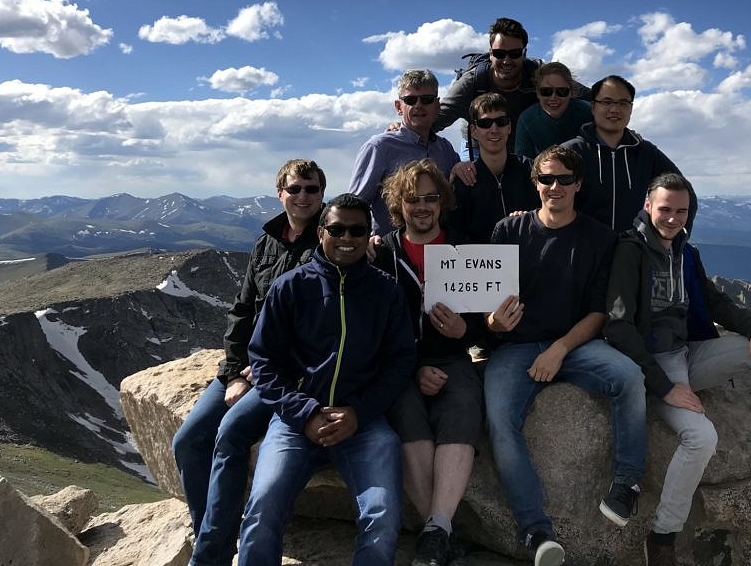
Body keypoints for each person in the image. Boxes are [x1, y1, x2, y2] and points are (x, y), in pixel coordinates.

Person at [603, 173, 751, 566]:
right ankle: (662, 536)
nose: (673, 218)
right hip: (654, 365)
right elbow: (618, 327)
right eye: (665, 209)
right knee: (701, 438)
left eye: (681, 211)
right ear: (648, 206)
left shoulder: (685, 252)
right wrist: (664, 387)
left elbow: (713, 301)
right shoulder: (629, 252)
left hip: (689, 352)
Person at [485, 145, 648, 565]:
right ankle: (536, 531)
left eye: (563, 179)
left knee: (629, 377)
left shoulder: (598, 237)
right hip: (516, 348)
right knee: (501, 422)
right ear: (535, 183)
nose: (553, 187)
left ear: (578, 184)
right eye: (545, 179)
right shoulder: (508, 230)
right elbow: (489, 302)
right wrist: (493, 324)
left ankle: (628, 482)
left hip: (576, 345)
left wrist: (558, 350)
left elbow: (599, 311)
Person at [237, 194, 416, 566]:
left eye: (357, 230)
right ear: (321, 233)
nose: (346, 237)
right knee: (263, 505)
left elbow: (400, 362)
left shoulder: (386, 291)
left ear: (370, 236)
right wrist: (305, 413)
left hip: (363, 423)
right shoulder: (290, 287)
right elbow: (264, 360)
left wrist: (359, 412)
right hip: (295, 421)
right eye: (336, 229)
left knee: (382, 515)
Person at [172, 158, 326, 566]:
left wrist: (262, 369)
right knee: (187, 441)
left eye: (312, 189)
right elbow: (242, 313)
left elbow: (317, 325)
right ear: (281, 193)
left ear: (322, 194)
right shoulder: (266, 243)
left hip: (287, 374)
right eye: (295, 189)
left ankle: (208, 556)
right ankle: (214, 536)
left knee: (230, 434)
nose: (304, 197)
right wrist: (232, 371)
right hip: (245, 368)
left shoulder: (329, 243)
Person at [374, 160, 485, 566]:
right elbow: (375, 328)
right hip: (399, 362)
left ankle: (433, 532)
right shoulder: (381, 254)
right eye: (412, 199)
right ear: (398, 205)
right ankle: (438, 534)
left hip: (452, 356)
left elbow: (484, 325)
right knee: (405, 412)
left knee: (463, 408)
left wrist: (464, 331)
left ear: (443, 202)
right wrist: (414, 368)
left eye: (430, 198)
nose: (422, 207)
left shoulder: (465, 248)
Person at [434, 17, 589, 158]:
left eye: (514, 53)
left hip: (527, 147)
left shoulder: (538, 74)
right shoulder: (473, 82)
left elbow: (590, 96)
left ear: (524, 53)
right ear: (490, 54)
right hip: (478, 147)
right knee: (472, 183)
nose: (506, 61)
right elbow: (437, 118)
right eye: (500, 53)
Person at [563, 75, 696, 233]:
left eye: (623, 103)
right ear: (593, 107)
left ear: (631, 108)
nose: (614, 109)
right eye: (607, 102)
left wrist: (675, 240)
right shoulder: (571, 152)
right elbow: (542, 196)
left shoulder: (645, 153)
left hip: (628, 252)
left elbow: (685, 192)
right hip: (580, 251)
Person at [349, 69, 463, 236]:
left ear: (437, 106)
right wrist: (365, 240)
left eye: (426, 99)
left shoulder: (445, 149)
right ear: (398, 107)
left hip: (437, 253)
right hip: (388, 255)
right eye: (410, 100)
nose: (418, 105)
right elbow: (354, 206)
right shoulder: (379, 147)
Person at [449, 93, 540, 244]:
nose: (494, 129)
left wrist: (533, 219)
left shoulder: (531, 171)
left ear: (509, 127)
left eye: (501, 122)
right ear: (473, 131)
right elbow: (455, 236)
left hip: (529, 260)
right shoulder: (464, 181)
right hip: (483, 264)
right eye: (485, 123)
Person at [514, 62, 592, 159]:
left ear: (570, 92)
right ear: (537, 93)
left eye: (561, 91)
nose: (553, 97)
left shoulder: (590, 113)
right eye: (546, 91)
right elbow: (522, 163)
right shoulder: (526, 120)